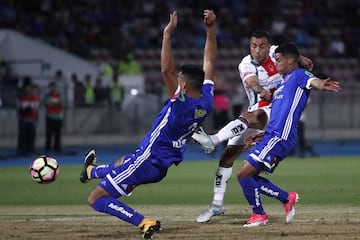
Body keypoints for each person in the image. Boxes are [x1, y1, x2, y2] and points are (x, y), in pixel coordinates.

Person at [79, 10, 217, 239]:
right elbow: (210, 61)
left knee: (96, 198)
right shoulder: (206, 99)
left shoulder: (182, 105)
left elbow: (166, 70)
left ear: (183, 86)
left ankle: (144, 222)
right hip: (158, 164)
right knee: (124, 160)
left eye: (180, 82)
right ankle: (92, 170)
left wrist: (166, 35)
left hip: (147, 160)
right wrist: (211, 29)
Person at [194, 31, 313, 223]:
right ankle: (217, 204)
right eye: (253, 46)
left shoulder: (278, 54)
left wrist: (301, 58)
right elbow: (252, 82)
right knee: (228, 159)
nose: (257, 50)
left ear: (269, 46)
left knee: (252, 116)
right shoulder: (246, 64)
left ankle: (213, 139)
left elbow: (297, 59)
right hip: (254, 114)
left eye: (262, 46)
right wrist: (261, 90)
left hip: (274, 113)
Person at [236, 42, 340, 227]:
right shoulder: (282, 84)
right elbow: (279, 115)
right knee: (247, 175)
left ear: (291, 60)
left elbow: (312, 80)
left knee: (243, 174)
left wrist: (321, 84)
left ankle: (260, 214)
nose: (275, 64)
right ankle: (285, 198)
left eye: (278, 59)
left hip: (281, 137)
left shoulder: (299, 75)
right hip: (272, 135)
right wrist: (262, 134)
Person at [17, 83, 40, 156]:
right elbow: (18, 109)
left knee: (31, 135)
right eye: (27, 89)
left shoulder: (34, 99)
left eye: (29, 89)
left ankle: (30, 149)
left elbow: (36, 110)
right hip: (23, 120)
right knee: (22, 135)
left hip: (31, 119)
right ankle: (22, 150)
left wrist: (36, 119)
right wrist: (20, 116)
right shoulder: (21, 98)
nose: (28, 91)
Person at [44, 81, 64, 154]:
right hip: (50, 116)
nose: (52, 88)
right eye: (51, 87)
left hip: (58, 117)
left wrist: (54, 104)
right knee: (49, 134)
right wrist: (56, 104)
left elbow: (61, 104)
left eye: (54, 87)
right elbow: (48, 104)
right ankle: (47, 149)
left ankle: (57, 148)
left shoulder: (59, 95)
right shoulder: (47, 95)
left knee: (57, 134)